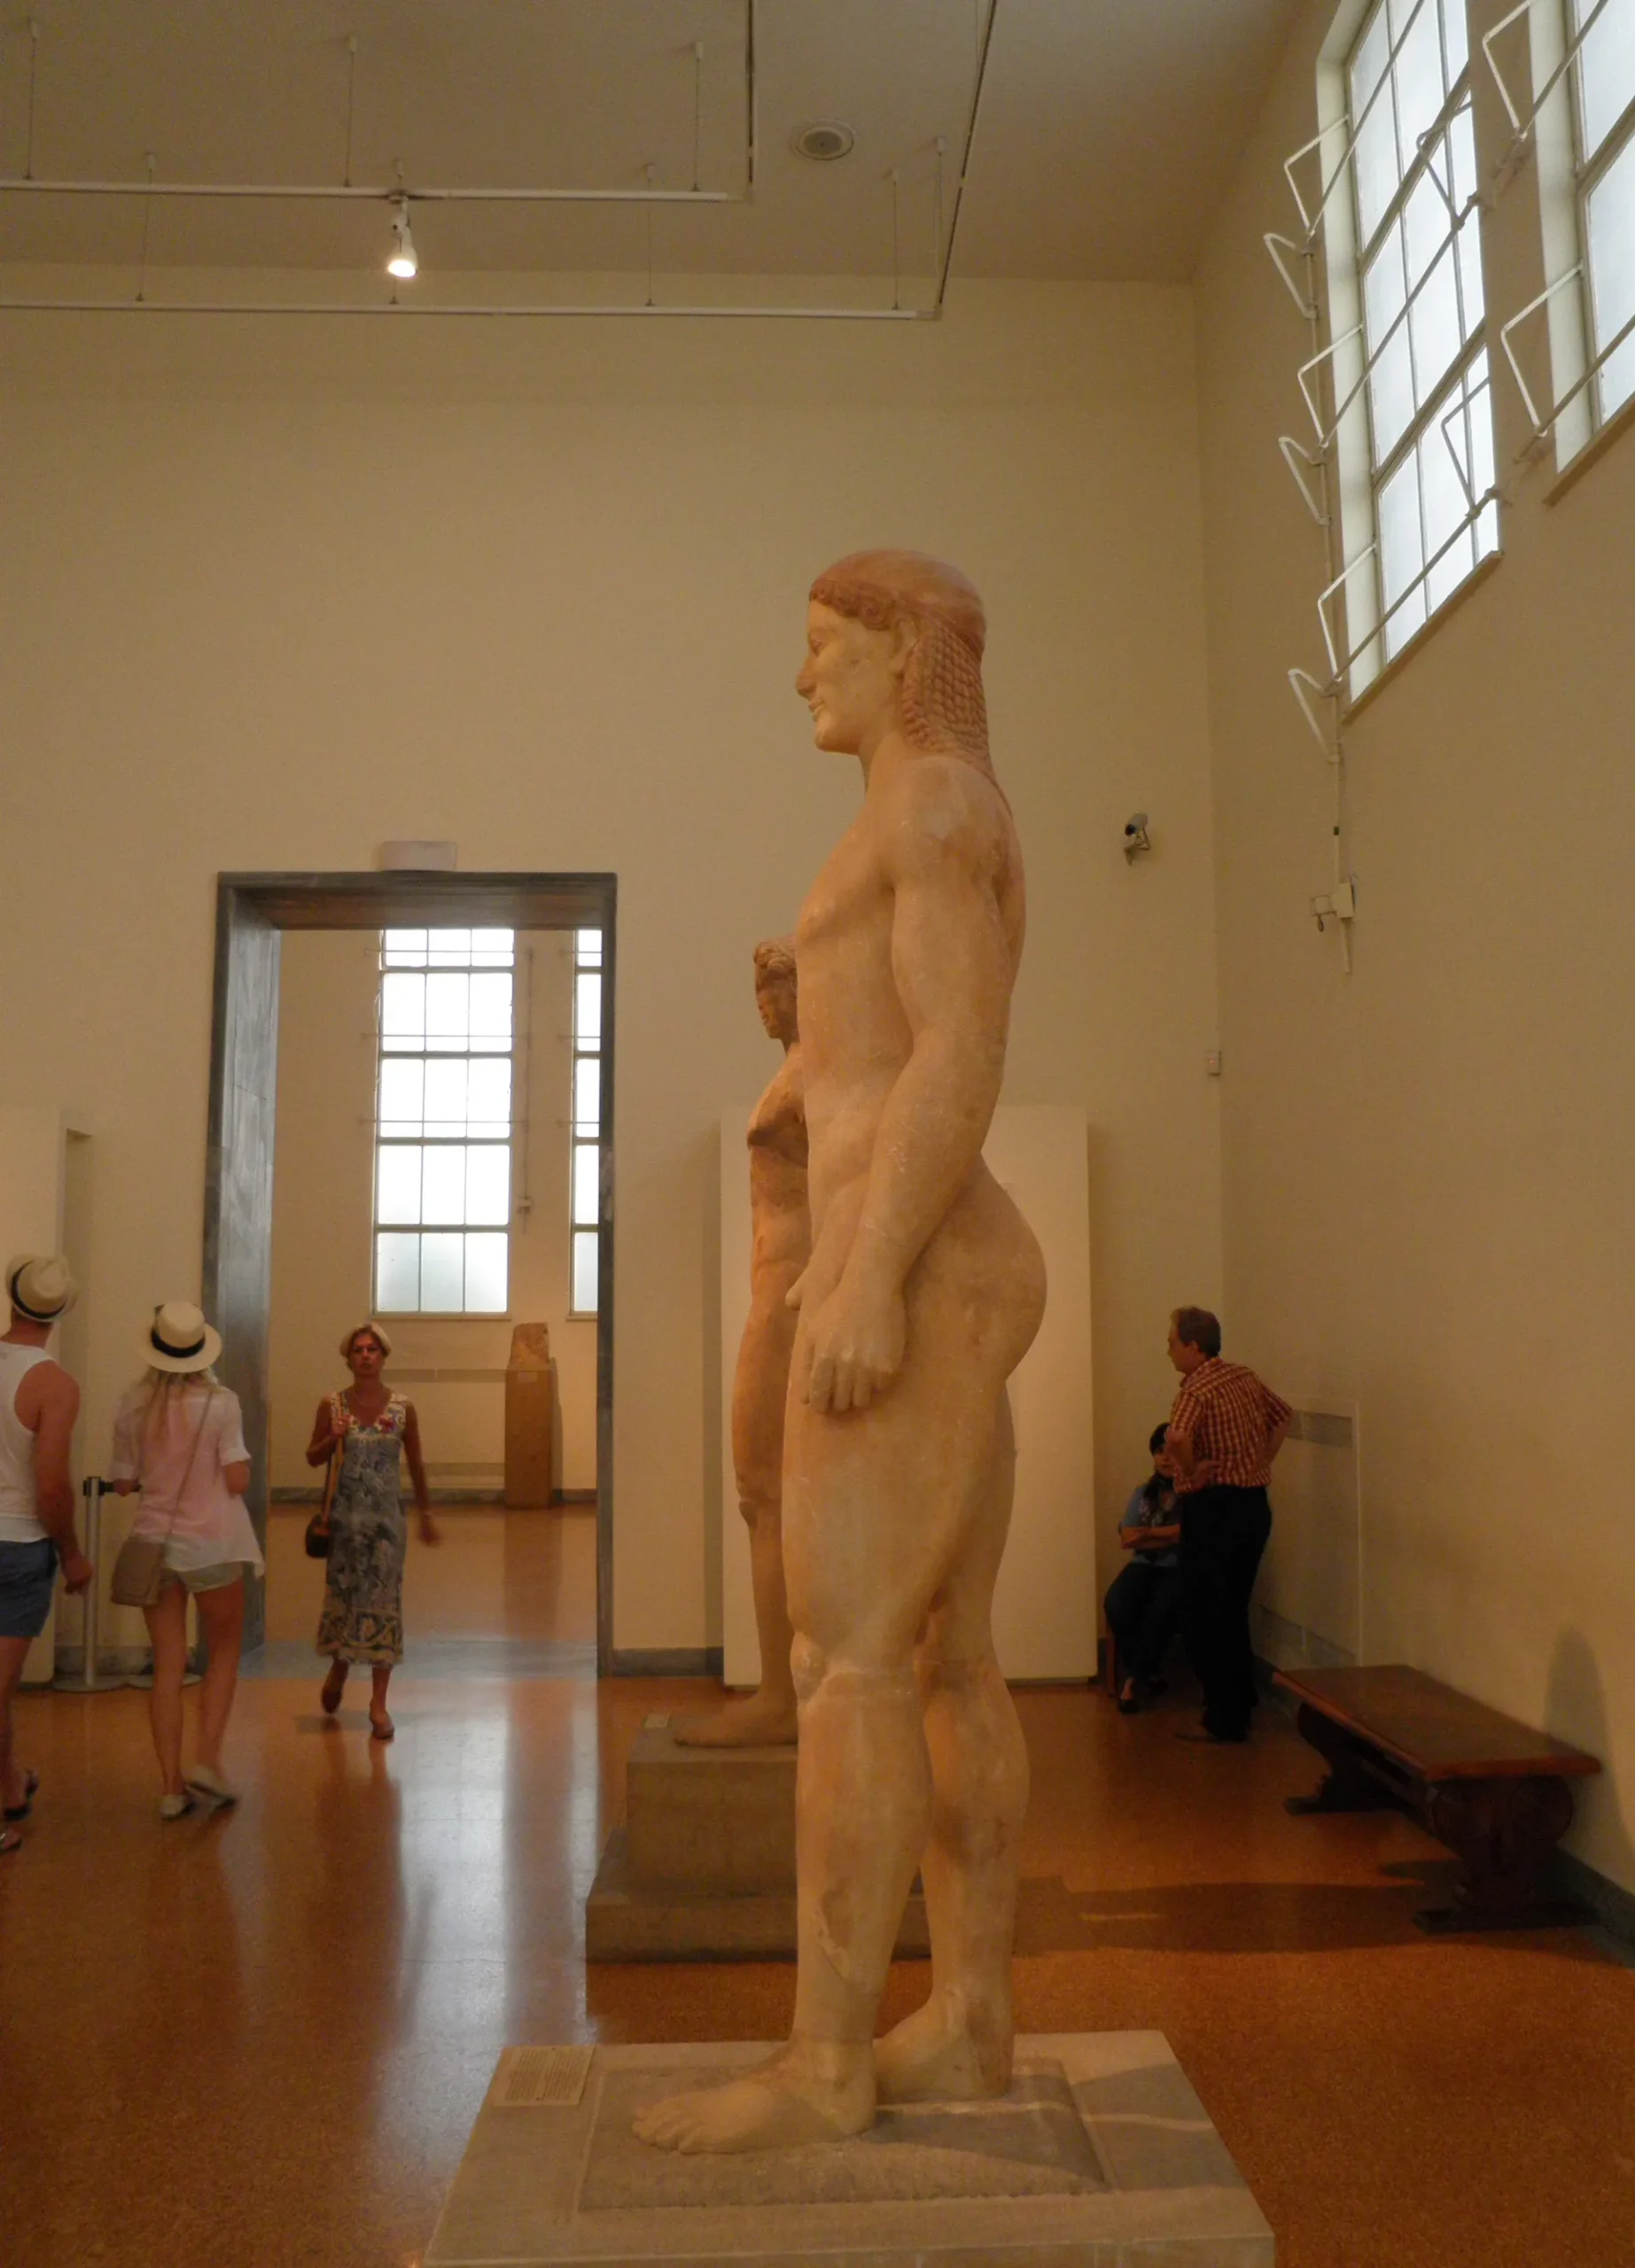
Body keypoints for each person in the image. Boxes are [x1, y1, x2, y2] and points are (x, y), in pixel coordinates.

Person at [636, 550, 1046, 2155]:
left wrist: (868, 1273)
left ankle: (825, 2065)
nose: (802, 676)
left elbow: (962, 1047)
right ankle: (971, 2026)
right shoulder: (921, 813)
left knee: (851, 1666)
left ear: (896, 650)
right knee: (949, 1659)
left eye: (823, 646)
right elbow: (890, 1048)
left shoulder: (930, 804)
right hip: (938, 1258)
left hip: (916, 1266)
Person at [675, 936, 809, 1747]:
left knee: (766, 1494)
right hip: (780, 1294)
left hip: (793, 1301)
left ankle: (782, 1697)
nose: (765, 1002)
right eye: (760, 987)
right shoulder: (798, 1072)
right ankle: (785, 1690)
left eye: (778, 985)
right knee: (765, 1496)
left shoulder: (821, 1074)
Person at [110, 1301, 261, 1815]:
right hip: (213, 1543)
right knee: (223, 1650)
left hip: (155, 1545)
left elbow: (123, 1482)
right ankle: (208, 1760)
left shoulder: (133, 1403)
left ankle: (171, 1789)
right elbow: (237, 1479)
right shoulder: (221, 1403)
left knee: (168, 1665)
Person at [1164, 1305, 1291, 1744]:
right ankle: (1241, 1701)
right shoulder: (1243, 1376)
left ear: (1193, 1347)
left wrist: (1192, 1469)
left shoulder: (1195, 1390)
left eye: (1172, 1343)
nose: (1168, 1351)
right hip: (1253, 1507)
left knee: (1205, 1612)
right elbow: (1283, 1416)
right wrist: (1262, 1461)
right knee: (1233, 1607)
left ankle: (1223, 1717)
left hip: (1214, 1509)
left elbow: (1177, 1437)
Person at [0, 1255, 92, 1856]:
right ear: (59, 1313)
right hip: (17, 1543)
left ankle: (10, 1785)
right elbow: (52, 1487)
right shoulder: (54, 1385)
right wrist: (73, 1553)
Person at [307, 1323, 438, 1741]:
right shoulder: (332, 1405)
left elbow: (415, 1462)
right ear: (348, 1358)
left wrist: (426, 1512)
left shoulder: (402, 1408)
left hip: (386, 1527)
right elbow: (313, 1457)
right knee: (345, 1601)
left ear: (383, 1357)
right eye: (359, 1350)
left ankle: (379, 1704)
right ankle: (339, 1667)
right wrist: (332, 1437)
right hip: (345, 1525)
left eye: (373, 1350)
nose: (366, 1356)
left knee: (384, 1606)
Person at [1103, 1423, 1181, 1713]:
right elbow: (1127, 1536)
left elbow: (1189, 1534)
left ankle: (1133, 1681)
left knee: (1161, 1610)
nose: (1166, 1458)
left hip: (1178, 1568)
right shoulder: (1143, 1493)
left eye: (1172, 1452)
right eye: (1159, 1451)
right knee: (1116, 1603)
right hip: (1142, 1565)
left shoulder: (1194, 1492)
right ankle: (1149, 1672)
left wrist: (1147, 1534)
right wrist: (1166, 1536)